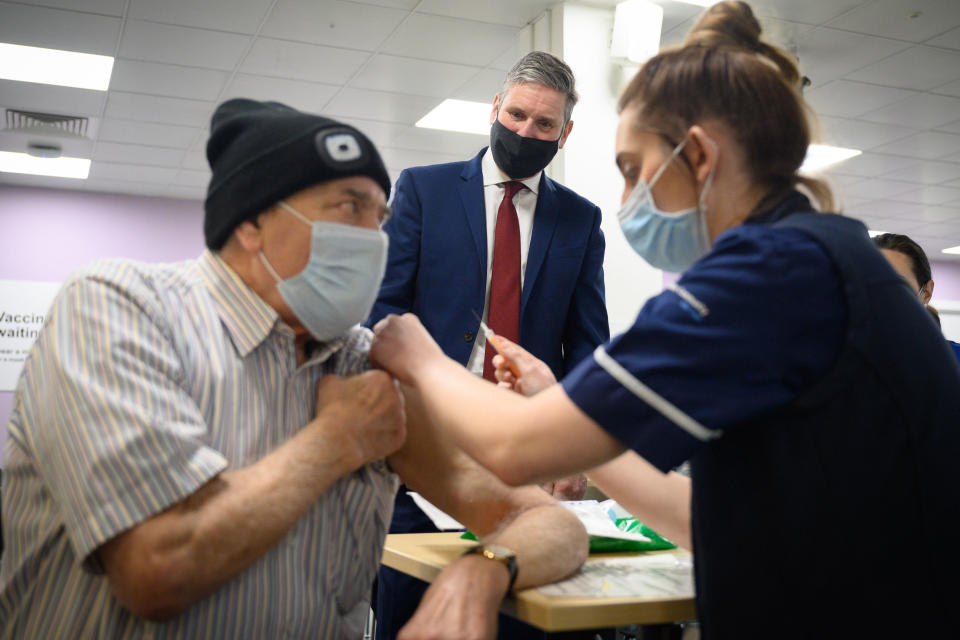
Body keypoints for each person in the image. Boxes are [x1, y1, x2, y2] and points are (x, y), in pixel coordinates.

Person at [368, 2, 960, 638]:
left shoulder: (760, 276)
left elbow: (514, 447)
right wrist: (559, 402)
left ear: (699, 156)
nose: (626, 202)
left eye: (632, 171)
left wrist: (417, 358)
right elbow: (709, 515)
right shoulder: (830, 257)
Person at [0, 99, 589, 639]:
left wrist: (482, 570)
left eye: (378, 216)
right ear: (251, 222)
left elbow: (552, 526)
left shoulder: (363, 364)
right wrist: (335, 441)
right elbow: (159, 570)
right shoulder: (121, 310)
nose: (372, 238)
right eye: (348, 208)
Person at [369, 51, 609, 639]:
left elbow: (586, 346)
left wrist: (575, 451)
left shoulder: (580, 219)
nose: (527, 132)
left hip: (525, 456)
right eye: (518, 115)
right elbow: (385, 313)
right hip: (424, 448)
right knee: (415, 611)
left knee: (517, 618)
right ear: (495, 109)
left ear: (565, 134)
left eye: (544, 124)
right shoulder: (424, 190)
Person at [873, 232, 960, 361]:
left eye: (897, 285)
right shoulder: (841, 363)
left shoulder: (953, 360)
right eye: (869, 284)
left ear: (926, 292)